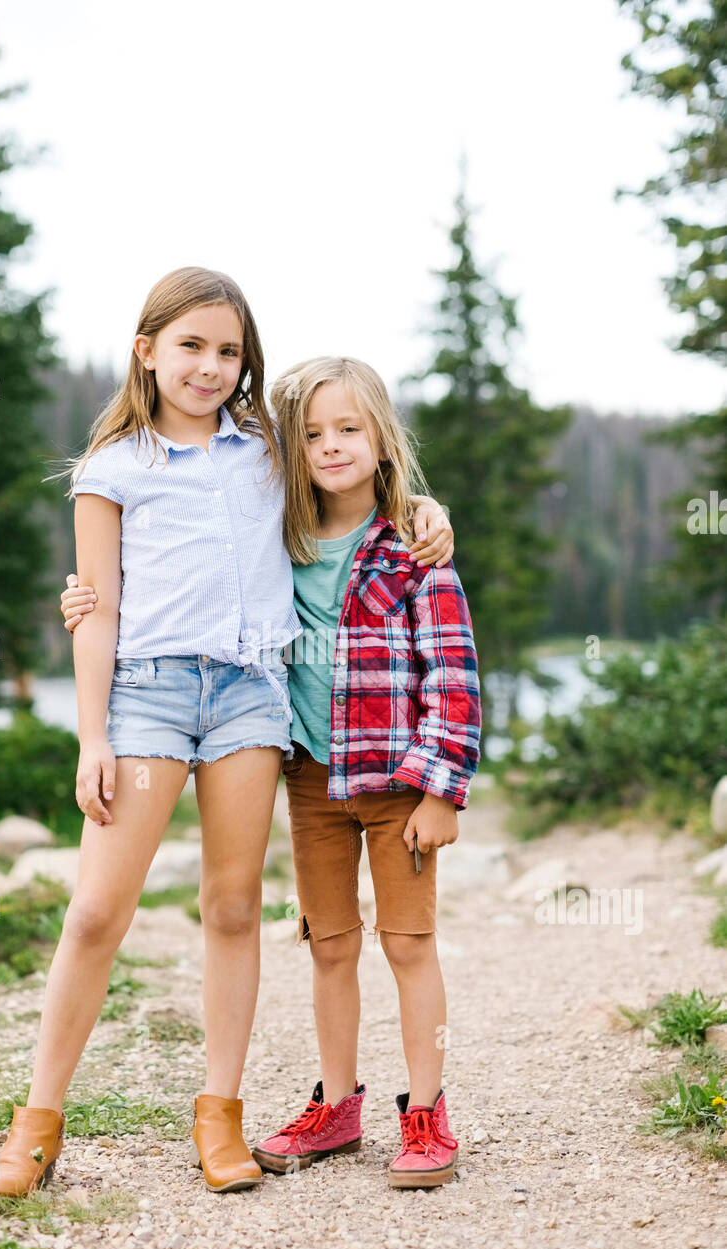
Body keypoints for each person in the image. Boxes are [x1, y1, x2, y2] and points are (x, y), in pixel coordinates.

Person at [0, 268, 453, 1198]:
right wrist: (91, 736)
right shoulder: (111, 469)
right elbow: (96, 609)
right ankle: (36, 1121)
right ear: (146, 349)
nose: (210, 366)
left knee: (234, 908)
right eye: (191, 345)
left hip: (250, 699)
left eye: (228, 350)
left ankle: (220, 1114)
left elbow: (355, 474)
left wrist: (426, 512)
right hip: (148, 699)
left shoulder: (268, 454)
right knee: (97, 911)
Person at [249, 356, 482, 1188]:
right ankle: (338, 1106)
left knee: (409, 945)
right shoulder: (276, 536)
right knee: (330, 947)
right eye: (312, 433)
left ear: (383, 438)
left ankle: (426, 1112)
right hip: (312, 780)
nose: (330, 445)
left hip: (396, 785)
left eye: (349, 428)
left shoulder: (414, 546)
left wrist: (441, 788)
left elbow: (453, 670)